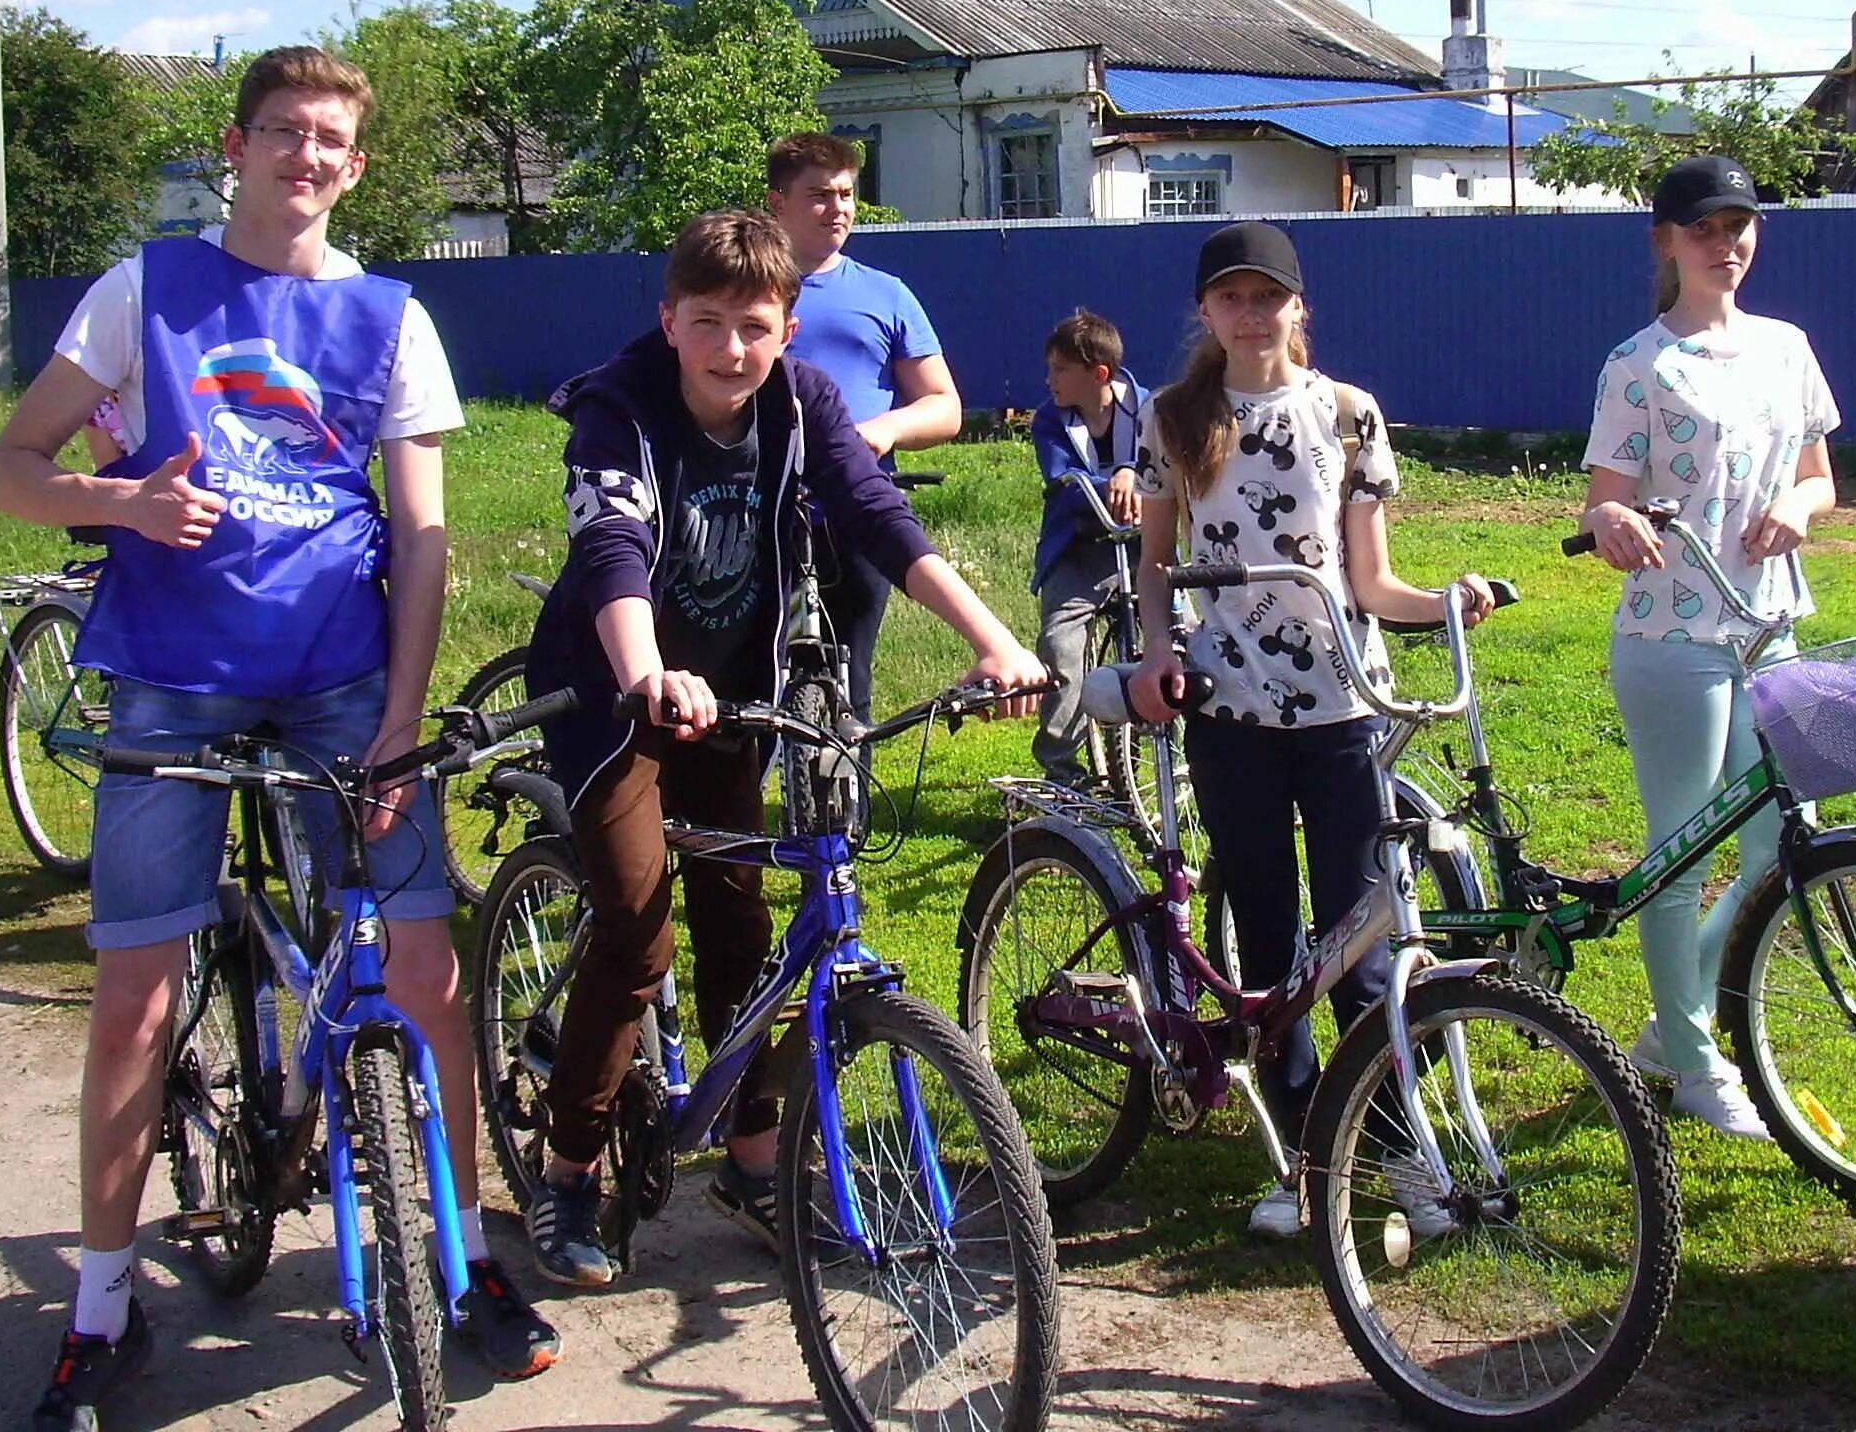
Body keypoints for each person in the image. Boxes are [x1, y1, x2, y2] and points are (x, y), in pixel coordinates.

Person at [0, 45, 558, 1431]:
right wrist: (118, 508)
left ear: (354, 168)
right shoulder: (145, 293)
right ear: (234, 147)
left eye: (331, 141)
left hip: (340, 679)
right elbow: (9, 471)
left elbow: (420, 534)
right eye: (283, 132)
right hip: (173, 676)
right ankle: (103, 1304)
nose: (306, 156)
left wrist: (402, 724)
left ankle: (470, 1258)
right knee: (133, 997)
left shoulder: (390, 318)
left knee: (423, 966)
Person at [521, 207, 1046, 1287]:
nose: (729, 350)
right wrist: (644, 677)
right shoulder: (619, 409)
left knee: (743, 927)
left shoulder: (802, 404)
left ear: (788, 329)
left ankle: (753, 1163)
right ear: (668, 321)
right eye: (706, 323)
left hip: (731, 696)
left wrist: (993, 640)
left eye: (754, 327)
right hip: (614, 693)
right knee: (636, 930)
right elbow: (613, 549)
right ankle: (569, 1170)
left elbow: (876, 517)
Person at [1131, 221, 1492, 1238]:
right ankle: (1300, 1163)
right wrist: (1161, 651)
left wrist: (1445, 601)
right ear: (1206, 312)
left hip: (1345, 712)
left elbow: (1370, 579)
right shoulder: (1170, 417)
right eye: (1231, 298)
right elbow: (1155, 565)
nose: (1251, 315)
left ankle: (1398, 1151)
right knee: (1269, 946)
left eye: (1267, 297)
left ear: (1298, 307)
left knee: (1364, 945)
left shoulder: (1346, 413)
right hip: (1230, 713)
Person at [1576, 153, 1839, 1142]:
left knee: (1783, 838)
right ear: (1666, 243)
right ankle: (1693, 1062)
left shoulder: (1786, 347)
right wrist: (1615, 526)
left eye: (1738, 228)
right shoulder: (1639, 363)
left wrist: (1795, 506)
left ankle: (1666, 1026)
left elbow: (1820, 478)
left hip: (1768, 624)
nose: (1724, 246)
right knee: (1681, 854)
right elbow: (1602, 498)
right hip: (1670, 632)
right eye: (1703, 231)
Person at [766, 132, 960, 721]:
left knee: (851, 670)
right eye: (820, 195)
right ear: (777, 202)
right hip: (758, 507)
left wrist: (882, 432)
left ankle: (845, 802)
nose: (839, 209)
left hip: (854, 511)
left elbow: (944, 405)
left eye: (847, 194)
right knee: (749, 668)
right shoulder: (747, 289)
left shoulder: (886, 294)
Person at [1028, 308, 1142, 786]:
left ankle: (1180, 748)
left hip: (1142, 550)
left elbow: (1165, 465)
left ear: (1099, 374)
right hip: (1078, 550)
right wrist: (1111, 479)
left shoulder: (1148, 411)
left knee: (1184, 637)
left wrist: (1134, 471)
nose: (1050, 379)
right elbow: (1062, 480)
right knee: (1061, 645)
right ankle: (1061, 767)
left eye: (1060, 369)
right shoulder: (1050, 422)